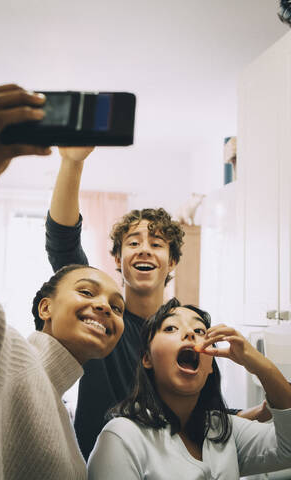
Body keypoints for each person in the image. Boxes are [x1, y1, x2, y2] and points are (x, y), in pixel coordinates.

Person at [45, 147, 271, 459]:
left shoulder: (190, 334)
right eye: (133, 243)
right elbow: (63, 243)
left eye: (157, 244)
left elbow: (209, 419)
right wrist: (73, 161)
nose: (144, 250)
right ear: (117, 259)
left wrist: (265, 408)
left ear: (172, 261)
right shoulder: (103, 321)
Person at [0, 84, 125, 480]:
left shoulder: (55, 404)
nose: (106, 307)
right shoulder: (8, 358)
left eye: (116, 306)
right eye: (87, 291)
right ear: (45, 307)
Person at [87, 298, 291, 479]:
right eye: (170, 328)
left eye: (200, 331)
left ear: (210, 365)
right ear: (147, 359)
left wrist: (259, 365)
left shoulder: (224, 429)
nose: (189, 333)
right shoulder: (122, 437)